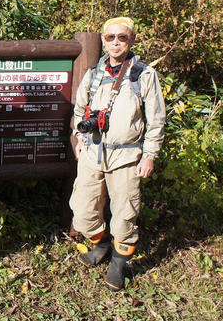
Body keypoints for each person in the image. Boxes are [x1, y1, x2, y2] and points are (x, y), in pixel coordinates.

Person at [69, 17, 165, 291]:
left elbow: (156, 120)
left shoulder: (143, 75)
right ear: (103, 39)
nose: (115, 42)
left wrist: (149, 155)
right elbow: (79, 110)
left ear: (131, 40)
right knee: (83, 211)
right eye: (110, 37)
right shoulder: (93, 73)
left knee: (124, 214)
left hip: (126, 156)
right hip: (92, 152)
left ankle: (119, 263)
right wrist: (78, 137)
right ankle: (100, 245)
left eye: (122, 37)